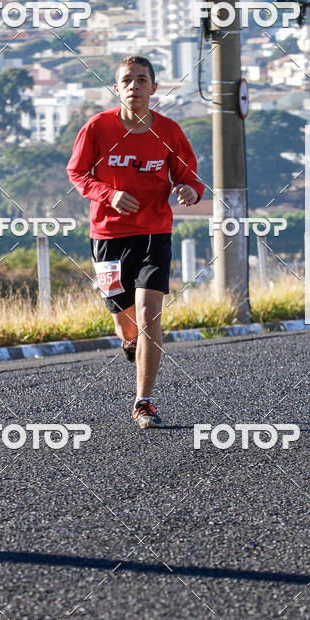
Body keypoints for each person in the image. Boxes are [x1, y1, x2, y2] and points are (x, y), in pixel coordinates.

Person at [67, 55, 204, 429]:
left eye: (142, 79)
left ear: (153, 87)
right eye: (127, 80)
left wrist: (190, 191)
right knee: (123, 320)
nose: (134, 86)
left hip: (153, 234)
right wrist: (108, 194)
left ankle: (143, 401)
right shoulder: (97, 128)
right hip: (108, 236)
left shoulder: (170, 131)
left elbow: (190, 176)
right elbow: (77, 172)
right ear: (117, 88)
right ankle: (131, 342)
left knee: (148, 316)